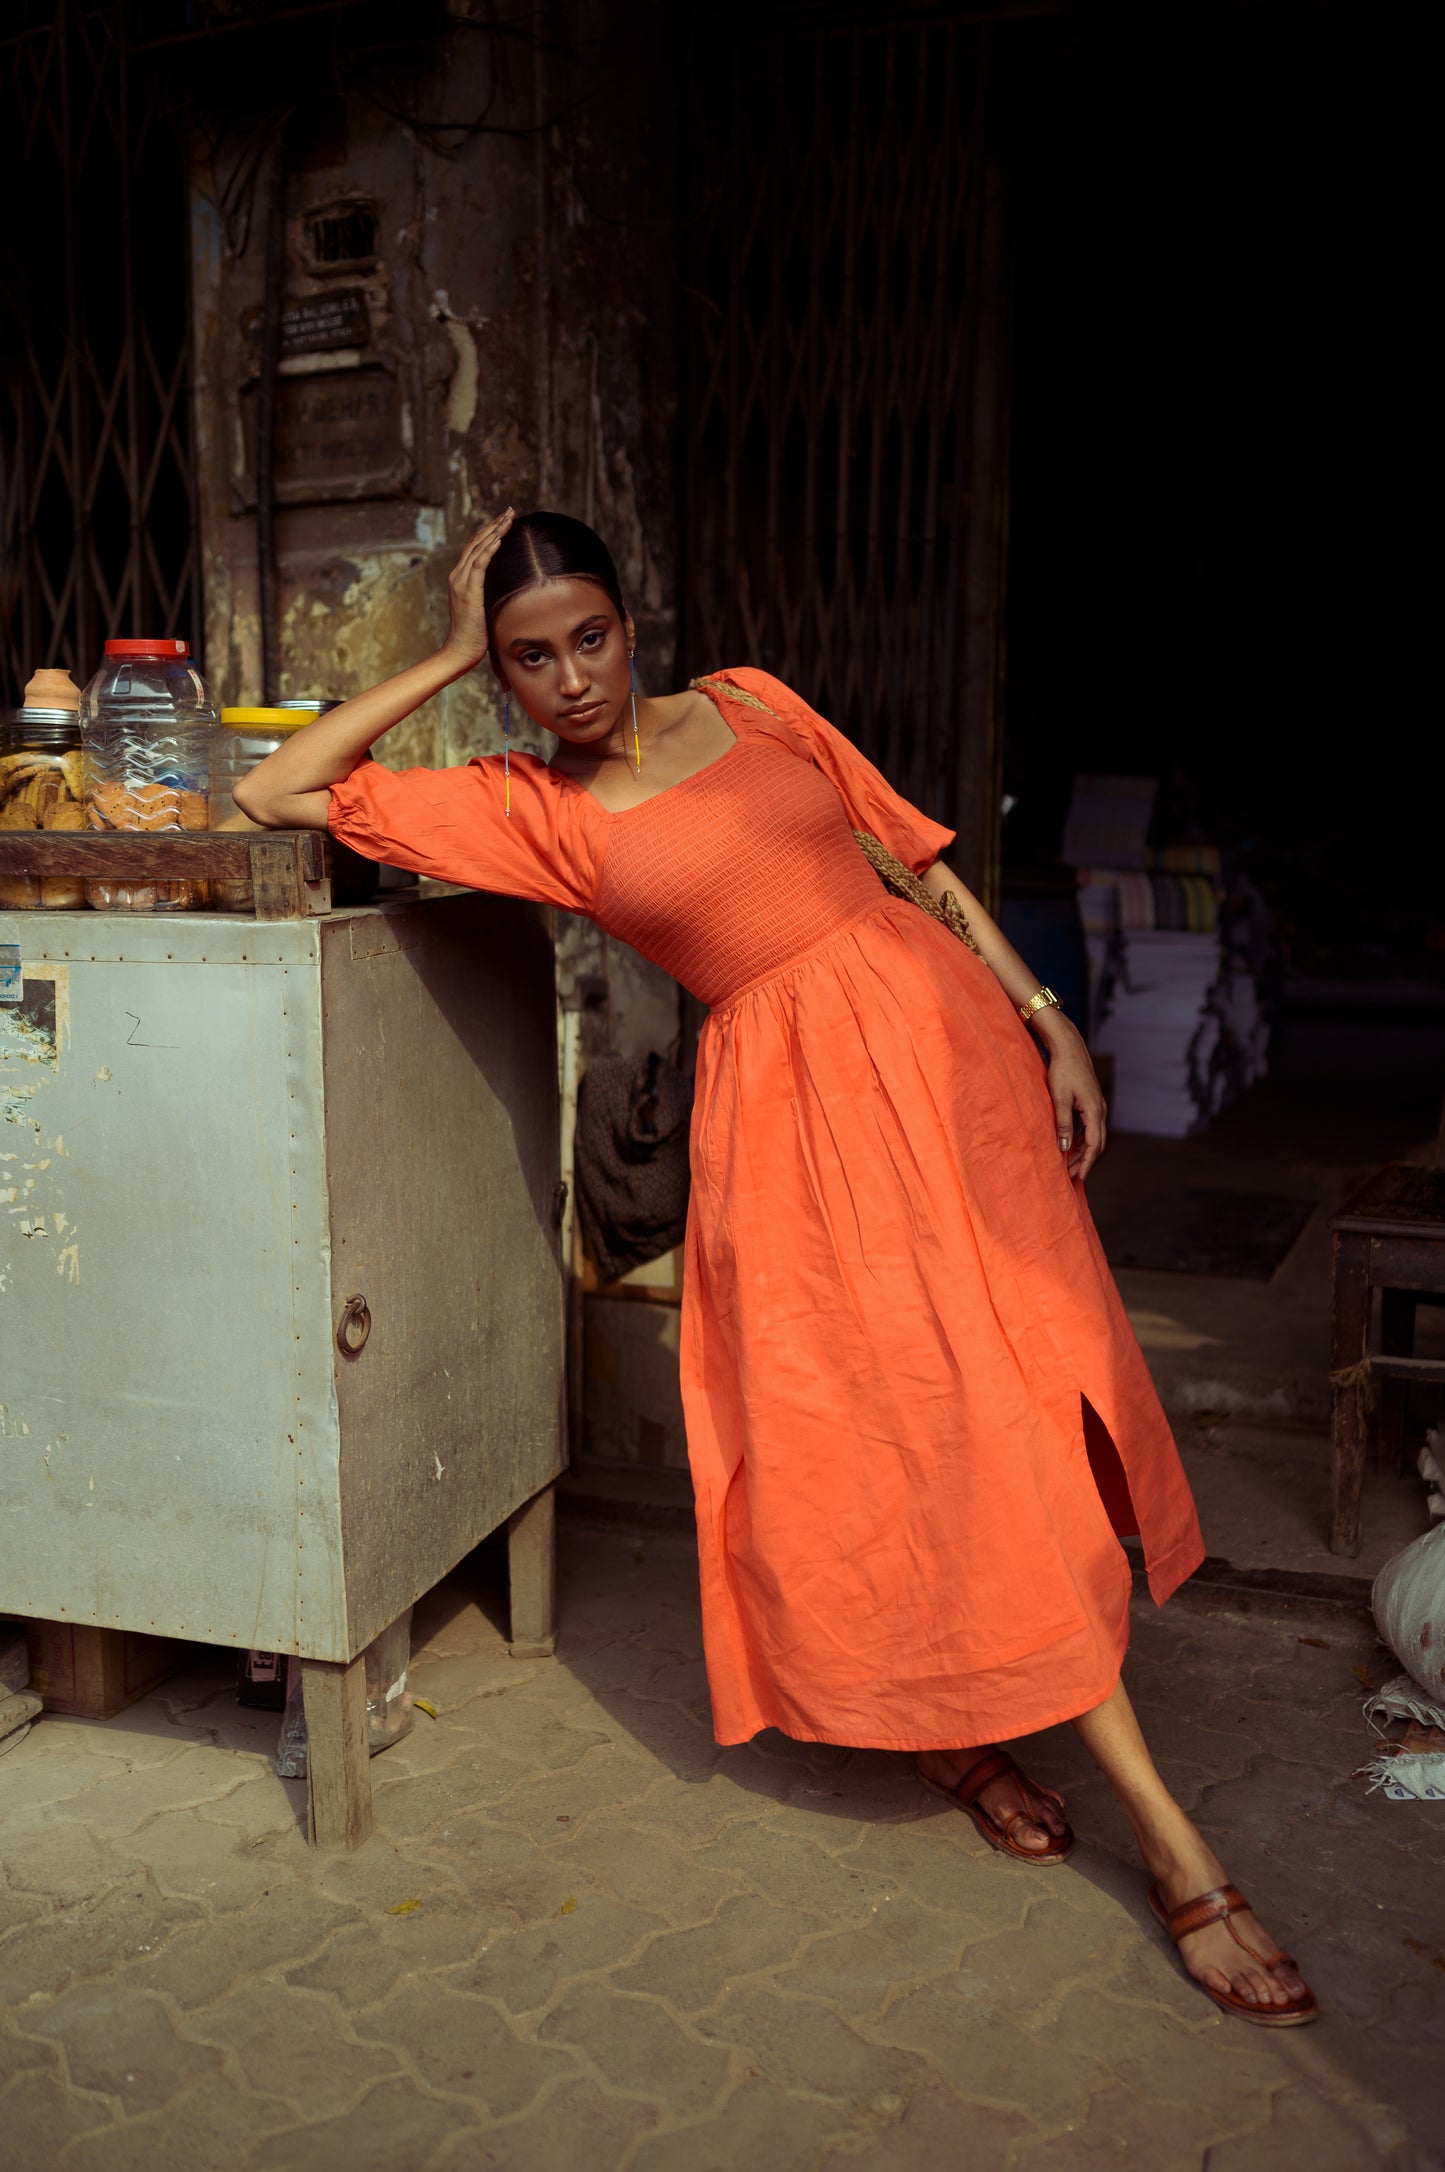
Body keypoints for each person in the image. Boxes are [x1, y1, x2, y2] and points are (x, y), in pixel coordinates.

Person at [237, 508, 1317, 2028]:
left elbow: (910, 859)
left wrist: (1043, 1016)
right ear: (504, 667)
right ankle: (1164, 1838)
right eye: (529, 656)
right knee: (916, 1436)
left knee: (1027, 1399)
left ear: (633, 618)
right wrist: (445, 641)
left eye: (588, 637)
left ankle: (973, 1724)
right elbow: (273, 786)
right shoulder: (520, 806)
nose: (569, 679)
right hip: (805, 1137)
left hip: (953, 1075)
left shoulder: (751, 703)